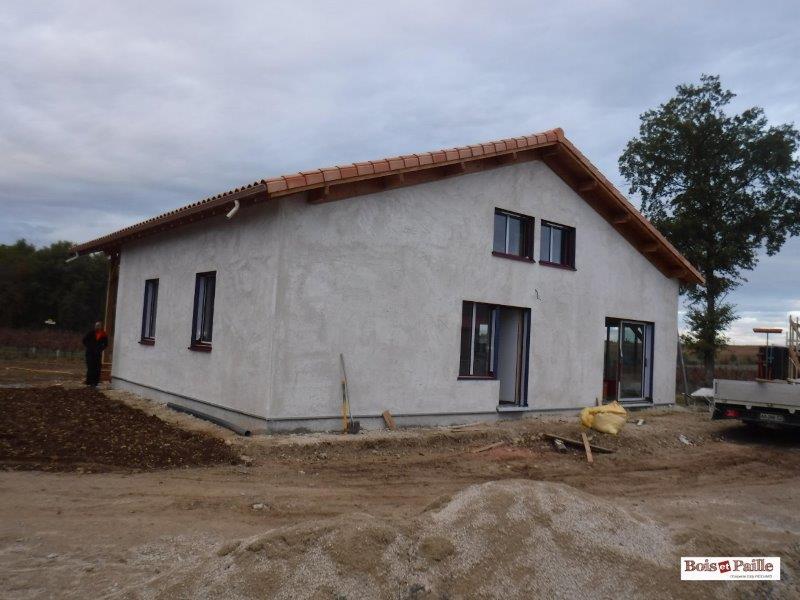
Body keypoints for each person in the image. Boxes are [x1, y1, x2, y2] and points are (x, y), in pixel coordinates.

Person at [82, 321, 108, 387]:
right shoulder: (90, 333)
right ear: (95, 326)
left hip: (97, 354)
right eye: (96, 325)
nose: (97, 327)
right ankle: (89, 382)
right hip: (89, 353)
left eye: (99, 325)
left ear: (101, 326)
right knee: (90, 367)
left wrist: (101, 349)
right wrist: (89, 346)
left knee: (97, 368)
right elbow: (84, 340)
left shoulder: (103, 334)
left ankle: (95, 382)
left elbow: (106, 344)